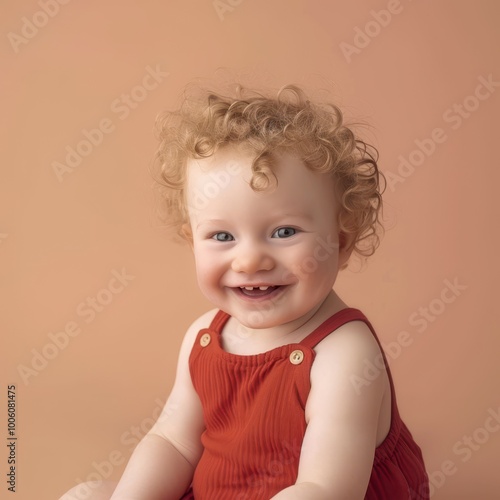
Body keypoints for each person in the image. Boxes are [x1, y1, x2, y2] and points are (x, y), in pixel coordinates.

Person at [61, 83, 429, 499]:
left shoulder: (344, 353)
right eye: (221, 235)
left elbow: (326, 486)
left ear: (341, 242)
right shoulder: (204, 337)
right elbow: (174, 443)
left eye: (284, 231)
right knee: (86, 494)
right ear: (191, 241)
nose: (250, 260)